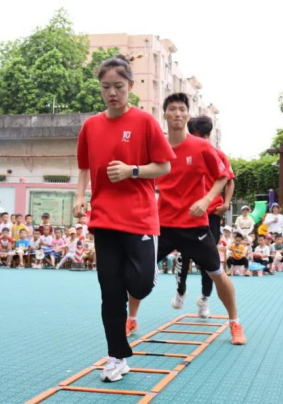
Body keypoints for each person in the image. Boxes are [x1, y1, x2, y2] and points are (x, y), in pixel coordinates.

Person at [73, 55, 176, 382]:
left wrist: (132, 171)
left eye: (118, 86)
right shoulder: (91, 126)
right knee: (110, 292)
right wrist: (79, 197)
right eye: (105, 87)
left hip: (140, 218)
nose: (112, 93)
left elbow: (164, 166)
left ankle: (140, 287)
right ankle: (116, 357)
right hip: (104, 219)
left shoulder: (145, 122)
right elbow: (84, 166)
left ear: (131, 86)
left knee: (141, 284)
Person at [127, 92, 246, 349]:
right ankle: (131, 319)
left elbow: (223, 177)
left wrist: (206, 200)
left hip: (195, 225)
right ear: (165, 114)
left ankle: (235, 322)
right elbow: (141, 178)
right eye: (172, 109)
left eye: (182, 109)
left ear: (187, 115)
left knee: (217, 273)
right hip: (162, 225)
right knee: (138, 272)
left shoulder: (202, 147)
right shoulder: (154, 146)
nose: (177, 113)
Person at [174, 115, 236, 319]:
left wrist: (226, 204)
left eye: (199, 136)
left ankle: (204, 299)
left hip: (211, 214)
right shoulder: (183, 153)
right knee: (183, 253)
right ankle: (181, 290)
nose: (195, 140)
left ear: (207, 135)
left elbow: (229, 180)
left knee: (209, 260)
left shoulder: (218, 155)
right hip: (189, 213)